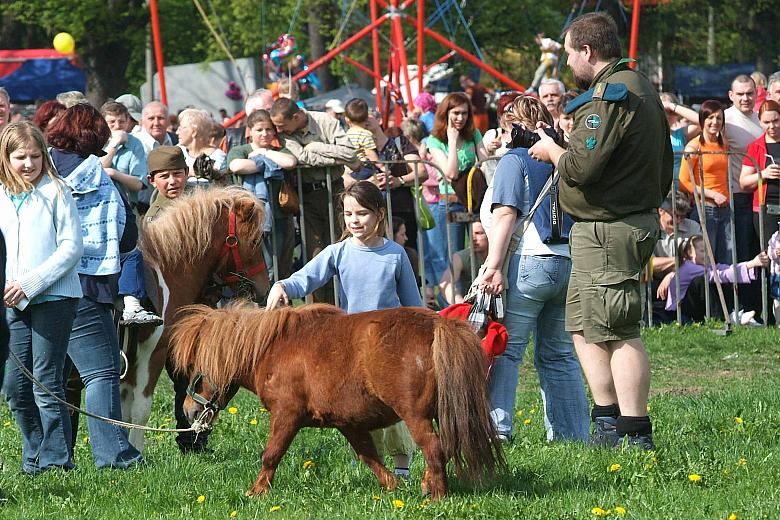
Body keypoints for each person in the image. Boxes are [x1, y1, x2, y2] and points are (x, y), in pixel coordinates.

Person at [527, 12, 673, 450]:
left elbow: (582, 167)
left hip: (613, 227)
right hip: (603, 227)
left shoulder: (611, 95)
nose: (568, 63)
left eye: (570, 53)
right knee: (584, 326)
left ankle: (634, 433)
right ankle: (607, 424)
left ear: (587, 51)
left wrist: (553, 148)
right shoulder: (636, 84)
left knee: (617, 330)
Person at [266, 181, 421, 476]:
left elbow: (413, 304)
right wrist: (282, 284)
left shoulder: (395, 255)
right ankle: (368, 465)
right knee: (362, 404)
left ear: (379, 215)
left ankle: (402, 467)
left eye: (362, 213)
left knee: (397, 402)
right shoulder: (339, 252)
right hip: (354, 345)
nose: (354, 220)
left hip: (390, 343)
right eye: (348, 214)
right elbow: (307, 277)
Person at [477, 95, 589, 443]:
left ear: (514, 126)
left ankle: (498, 430)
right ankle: (573, 436)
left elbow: (505, 215)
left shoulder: (514, 159)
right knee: (558, 353)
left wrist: (492, 267)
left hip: (529, 261)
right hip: (567, 261)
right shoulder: (563, 157)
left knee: (507, 350)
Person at [46, 104, 144, 469]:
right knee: (100, 373)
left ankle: (48, 458)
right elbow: (126, 235)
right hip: (87, 286)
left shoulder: (41, 168)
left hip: (36, 285)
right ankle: (114, 455)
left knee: (48, 377)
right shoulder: (100, 178)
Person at [1, 122, 83, 475]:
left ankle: (56, 461)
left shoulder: (58, 191)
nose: (29, 164)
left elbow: (71, 248)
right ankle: (34, 455)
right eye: (20, 157)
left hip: (54, 298)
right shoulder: (1, 194)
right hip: (11, 301)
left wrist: (31, 283)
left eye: (36, 156)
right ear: (6, 158)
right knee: (15, 388)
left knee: (47, 381)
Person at [142, 146, 210, 452]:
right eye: (165, 176)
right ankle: (186, 436)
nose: (173, 181)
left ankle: (194, 437)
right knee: (175, 371)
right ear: (152, 180)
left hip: (197, 306)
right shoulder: (154, 220)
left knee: (195, 373)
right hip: (169, 312)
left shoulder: (199, 207)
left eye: (178, 174)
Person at [270, 97, 359, 304]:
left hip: (334, 190)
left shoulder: (326, 121)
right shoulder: (286, 134)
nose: (279, 130)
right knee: (315, 254)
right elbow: (302, 157)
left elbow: (350, 152)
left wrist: (316, 146)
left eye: (282, 125)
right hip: (308, 196)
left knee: (341, 247)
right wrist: (337, 157)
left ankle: (345, 304)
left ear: (296, 117)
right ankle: (319, 307)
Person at [426, 92, 489, 287]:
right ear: (446, 114)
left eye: (464, 113)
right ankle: (453, 305)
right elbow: (451, 173)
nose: (460, 118)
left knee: (479, 251)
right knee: (453, 257)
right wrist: (452, 141)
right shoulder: (435, 140)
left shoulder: (474, 134)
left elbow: (485, 163)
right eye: (455, 113)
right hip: (451, 203)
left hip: (473, 202)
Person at [227, 109, 298, 280]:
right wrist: (266, 164)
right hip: (250, 217)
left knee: (280, 263)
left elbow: (290, 162)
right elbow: (236, 166)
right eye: (259, 130)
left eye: (268, 129)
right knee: (259, 264)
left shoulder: (278, 150)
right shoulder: (241, 150)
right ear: (250, 131)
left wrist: (264, 154)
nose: (265, 134)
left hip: (280, 215)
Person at [344, 112, 425, 252]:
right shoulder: (353, 148)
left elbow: (422, 172)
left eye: (367, 115)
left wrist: (398, 180)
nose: (364, 120)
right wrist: (367, 185)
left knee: (407, 254)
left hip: (401, 211)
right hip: (367, 214)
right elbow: (343, 177)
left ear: (379, 119)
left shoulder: (400, 143)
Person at [657, 235, 769, 323]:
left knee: (722, 279)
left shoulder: (704, 266)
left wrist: (751, 264)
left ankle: (735, 313)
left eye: (707, 251)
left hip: (692, 307)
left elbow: (725, 269)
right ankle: (721, 319)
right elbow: (719, 274)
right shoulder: (689, 267)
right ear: (690, 253)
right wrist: (752, 263)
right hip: (679, 312)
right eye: (702, 251)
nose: (706, 255)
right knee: (706, 280)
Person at [678, 100, 732, 264]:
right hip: (705, 210)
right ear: (702, 120)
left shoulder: (723, 144)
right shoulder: (694, 147)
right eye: (710, 118)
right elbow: (684, 182)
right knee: (707, 261)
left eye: (719, 118)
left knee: (726, 260)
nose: (715, 122)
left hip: (726, 209)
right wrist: (712, 194)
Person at [724, 75, 762, 262]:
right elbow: (702, 121)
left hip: (764, 195)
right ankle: (744, 291)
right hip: (738, 196)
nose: (745, 98)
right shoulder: (724, 119)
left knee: (763, 249)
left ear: (756, 93)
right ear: (731, 95)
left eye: (749, 93)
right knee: (744, 252)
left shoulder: (763, 119)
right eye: (740, 94)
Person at [479, 91, 523, 234]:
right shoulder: (493, 135)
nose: (511, 115)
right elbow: (480, 163)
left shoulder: (526, 135)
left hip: (517, 190)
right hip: (493, 188)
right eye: (508, 111)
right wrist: (489, 149)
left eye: (515, 110)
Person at [739, 100, 780, 245]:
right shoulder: (755, 147)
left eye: (776, 120)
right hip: (765, 211)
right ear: (760, 122)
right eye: (767, 122)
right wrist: (763, 174)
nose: (772, 126)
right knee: (770, 256)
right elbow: (743, 182)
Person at [438, 220, 488, 305]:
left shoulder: (505, 255)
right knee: (441, 296)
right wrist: (462, 306)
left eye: (479, 233)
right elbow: (445, 284)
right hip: (471, 305)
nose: (473, 238)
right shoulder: (461, 257)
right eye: (471, 233)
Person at [344, 98, 391, 181]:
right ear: (366, 119)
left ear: (347, 119)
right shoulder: (365, 134)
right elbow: (370, 153)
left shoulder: (347, 134)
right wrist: (382, 167)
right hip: (363, 168)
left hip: (351, 168)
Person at [660, 93, 700, 183]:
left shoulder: (680, 134)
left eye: (672, 112)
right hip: (657, 191)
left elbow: (702, 121)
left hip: (679, 190)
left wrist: (672, 106)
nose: (668, 116)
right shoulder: (650, 133)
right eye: (664, 111)